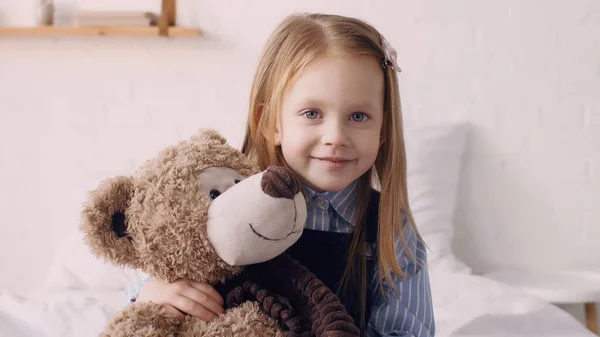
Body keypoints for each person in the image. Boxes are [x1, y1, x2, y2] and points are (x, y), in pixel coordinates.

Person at [126, 13, 435, 336]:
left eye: (358, 116)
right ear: (270, 122)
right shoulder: (223, 203)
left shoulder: (390, 231)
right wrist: (151, 294)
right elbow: (157, 270)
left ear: (383, 129)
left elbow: (407, 332)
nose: (336, 136)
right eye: (312, 113)